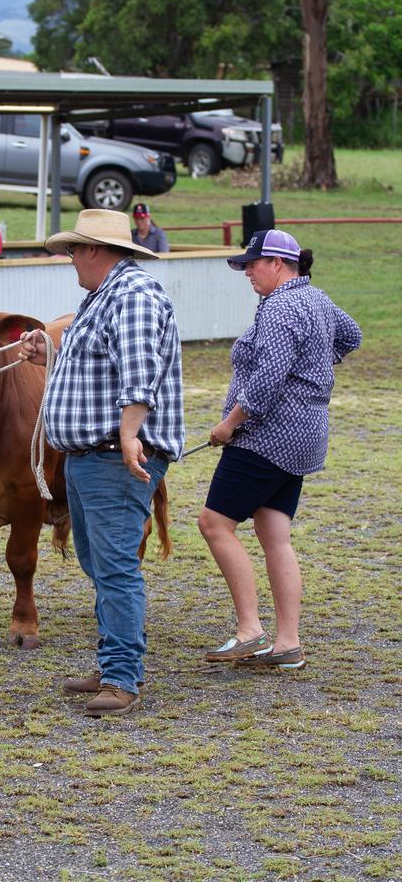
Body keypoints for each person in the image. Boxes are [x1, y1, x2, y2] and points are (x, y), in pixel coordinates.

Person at [19, 209, 184, 717]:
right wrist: (50, 353)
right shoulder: (106, 296)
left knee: (112, 566)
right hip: (93, 457)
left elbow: (140, 372)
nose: (70, 261)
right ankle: (113, 660)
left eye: (73, 251)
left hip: (114, 457)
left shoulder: (131, 295)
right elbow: (101, 365)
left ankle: (121, 675)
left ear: (93, 250)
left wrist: (130, 434)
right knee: (102, 564)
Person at [199, 229, 362, 669]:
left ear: (278, 263)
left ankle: (250, 630)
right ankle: (288, 643)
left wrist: (228, 425)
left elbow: (266, 381)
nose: (247, 271)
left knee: (214, 523)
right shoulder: (317, 299)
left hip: (266, 437)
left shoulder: (280, 308)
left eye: (253, 263)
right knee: (275, 535)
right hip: (306, 435)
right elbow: (352, 335)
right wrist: (313, 370)